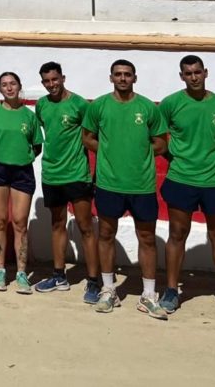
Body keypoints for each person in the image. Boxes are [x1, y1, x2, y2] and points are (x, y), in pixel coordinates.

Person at [158, 54, 215, 317]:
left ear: (206, 73)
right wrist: (175, 158)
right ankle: (172, 291)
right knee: (177, 234)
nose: (194, 77)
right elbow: (159, 138)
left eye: (198, 72)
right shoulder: (171, 104)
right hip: (180, 179)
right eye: (188, 73)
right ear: (181, 76)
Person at [82, 59, 168, 319]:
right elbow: (87, 137)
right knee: (106, 234)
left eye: (127, 75)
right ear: (111, 78)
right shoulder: (99, 106)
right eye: (118, 75)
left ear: (134, 78)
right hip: (109, 183)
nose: (122, 79)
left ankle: (149, 295)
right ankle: (109, 291)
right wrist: (109, 151)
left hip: (141, 184)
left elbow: (161, 144)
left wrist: (140, 152)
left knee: (147, 238)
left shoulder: (148, 108)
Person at [33, 62, 100, 302]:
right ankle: (59, 275)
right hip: (51, 174)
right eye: (47, 81)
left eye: (55, 79)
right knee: (57, 224)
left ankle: (94, 281)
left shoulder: (80, 104)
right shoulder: (41, 105)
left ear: (63, 78)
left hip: (77, 174)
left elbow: (93, 136)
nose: (52, 85)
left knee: (85, 227)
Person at [0, 71, 43, 295]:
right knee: (0, 220)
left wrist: (21, 157)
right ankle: (0, 270)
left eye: (12, 84)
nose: (9, 88)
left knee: (20, 222)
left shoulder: (29, 116)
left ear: (19, 86)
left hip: (22, 171)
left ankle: (21, 272)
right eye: (4, 85)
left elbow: (36, 146)